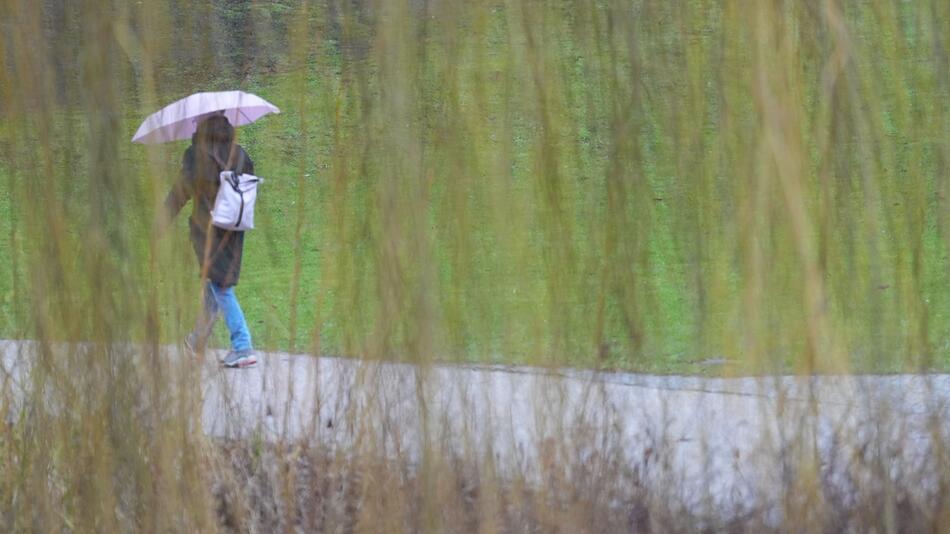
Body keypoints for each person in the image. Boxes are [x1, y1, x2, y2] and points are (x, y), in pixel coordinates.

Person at [162, 114, 258, 368]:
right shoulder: (240, 154)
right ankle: (197, 340)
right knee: (214, 281)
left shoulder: (197, 155)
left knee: (221, 285)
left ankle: (242, 344)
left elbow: (181, 190)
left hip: (208, 229)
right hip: (235, 229)